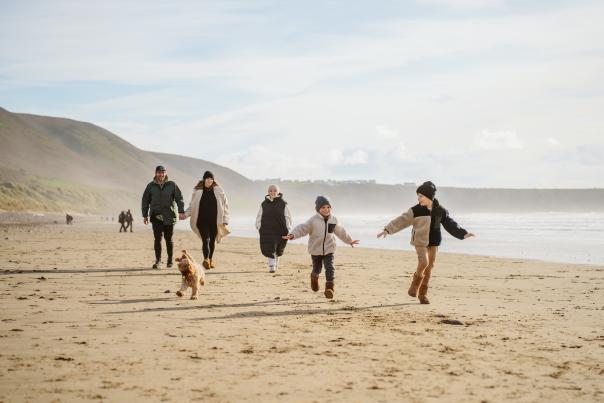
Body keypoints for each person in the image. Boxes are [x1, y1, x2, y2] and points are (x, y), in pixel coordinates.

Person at [377, 181, 475, 304]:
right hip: (420, 241)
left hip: (434, 242)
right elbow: (402, 220)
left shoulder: (440, 210)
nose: (419, 199)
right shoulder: (416, 210)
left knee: (429, 269)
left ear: (429, 196)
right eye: (418, 196)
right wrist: (387, 229)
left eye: (421, 196)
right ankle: (415, 284)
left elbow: (450, 224)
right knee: (424, 262)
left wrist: (463, 233)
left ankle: (422, 295)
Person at [283, 196, 359, 299]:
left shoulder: (333, 219)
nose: (326, 209)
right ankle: (314, 278)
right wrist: (292, 235)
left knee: (330, 268)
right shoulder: (313, 220)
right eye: (323, 207)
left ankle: (329, 288)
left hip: (329, 248)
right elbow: (302, 228)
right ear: (318, 209)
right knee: (317, 269)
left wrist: (349, 240)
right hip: (315, 250)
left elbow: (341, 231)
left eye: (328, 207)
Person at [141, 165, 185, 269]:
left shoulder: (172, 185)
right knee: (157, 239)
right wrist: (145, 215)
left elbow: (179, 198)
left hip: (169, 216)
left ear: (165, 174)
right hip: (156, 216)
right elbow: (145, 200)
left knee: (168, 239)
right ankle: (158, 260)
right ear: (156, 173)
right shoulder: (150, 186)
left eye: (163, 172)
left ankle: (169, 260)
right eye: (159, 172)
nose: (161, 174)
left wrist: (181, 211)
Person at [184, 171, 230, 270]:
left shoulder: (219, 191)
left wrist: (225, 220)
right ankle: (205, 259)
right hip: (201, 220)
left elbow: (225, 206)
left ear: (213, 180)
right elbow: (192, 206)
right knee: (206, 239)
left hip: (215, 221)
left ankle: (210, 259)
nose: (209, 180)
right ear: (204, 179)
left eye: (211, 178)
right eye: (208, 178)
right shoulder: (198, 191)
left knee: (212, 241)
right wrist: (185, 214)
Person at [255, 184, 292, 273]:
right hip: (266, 229)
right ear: (268, 192)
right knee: (269, 246)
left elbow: (288, 216)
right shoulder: (264, 204)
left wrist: (288, 228)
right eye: (270, 190)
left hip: (280, 229)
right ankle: (271, 265)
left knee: (278, 248)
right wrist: (258, 225)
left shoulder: (283, 203)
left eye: (275, 190)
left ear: (278, 192)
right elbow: (259, 215)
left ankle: (275, 263)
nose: (272, 192)